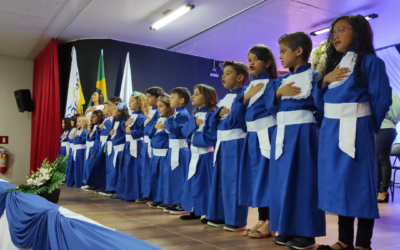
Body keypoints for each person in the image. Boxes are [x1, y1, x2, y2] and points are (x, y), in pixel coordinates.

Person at [314, 15, 392, 250]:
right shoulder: (333, 67)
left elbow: (382, 98)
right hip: (331, 131)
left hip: (357, 129)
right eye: (333, 32)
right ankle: (344, 240)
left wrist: (368, 126)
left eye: (341, 30)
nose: (335, 36)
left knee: (359, 185)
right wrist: (323, 81)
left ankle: (363, 243)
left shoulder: (370, 62)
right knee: (339, 184)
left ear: (357, 32)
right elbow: (321, 105)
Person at [265, 31, 326, 249]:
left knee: (304, 182)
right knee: (281, 182)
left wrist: (313, 132)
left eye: (283, 51)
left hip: (304, 134)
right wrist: (279, 93)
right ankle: (286, 227)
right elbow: (270, 108)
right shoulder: (280, 81)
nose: (279, 57)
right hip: (281, 134)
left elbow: (321, 109)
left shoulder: (315, 77)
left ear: (299, 51)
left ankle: (306, 233)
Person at [231, 45, 280, 238]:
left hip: (266, 133)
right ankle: (261, 219)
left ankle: (270, 221)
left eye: (254, 59)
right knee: (256, 178)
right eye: (248, 59)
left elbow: (273, 108)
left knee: (267, 178)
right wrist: (245, 98)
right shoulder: (248, 88)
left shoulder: (274, 83)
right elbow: (236, 115)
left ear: (267, 62)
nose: (250, 63)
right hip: (252, 136)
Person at [207, 60, 249, 232]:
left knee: (233, 181)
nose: (223, 76)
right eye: (223, 73)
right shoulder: (225, 98)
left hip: (235, 141)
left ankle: (235, 219)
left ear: (240, 77)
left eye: (228, 73)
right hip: (222, 143)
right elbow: (213, 122)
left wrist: (220, 116)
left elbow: (237, 118)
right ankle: (218, 215)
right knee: (219, 180)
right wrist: (217, 114)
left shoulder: (244, 95)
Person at [180, 84, 218, 222]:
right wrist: (193, 124)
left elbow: (212, 137)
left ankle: (208, 212)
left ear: (206, 98)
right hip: (194, 154)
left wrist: (194, 137)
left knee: (205, 184)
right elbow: (184, 132)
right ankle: (195, 209)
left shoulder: (211, 115)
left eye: (197, 94)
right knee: (194, 182)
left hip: (205, 154)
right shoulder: (195, 115)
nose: (193, 96)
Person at [114, 92, 148, 201]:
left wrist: (131, 131)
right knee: (126, 168)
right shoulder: (131, 116)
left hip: (137, 145)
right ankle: (124, 192)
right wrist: (125, 125)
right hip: (128, 144)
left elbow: (143, 131)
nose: (129, 102)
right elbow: (125, 129)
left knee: (135, 169)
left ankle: (136, 194)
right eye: (129, 100)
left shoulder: (142, 116)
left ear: (139, 103)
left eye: (132, 100)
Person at [163, 87, 191, 215]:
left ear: (181, 100)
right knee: (173, 176)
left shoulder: (182, 114)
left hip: (180, 149)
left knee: (180, 176)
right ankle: (175, 201)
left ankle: (181, 202)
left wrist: (168, 120)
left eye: (172, 97)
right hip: (173, 148)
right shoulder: (177, 114)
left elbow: (174, 129)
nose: (170, 99)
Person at [147, 94, 174, 208]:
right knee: (155, 178)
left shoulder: (171, 120)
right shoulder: (157, 119)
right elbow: (146, 130)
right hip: (155, 154)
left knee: (164, 179)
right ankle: (157, 198)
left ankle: (165, 199)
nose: (158, 109)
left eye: (161, 106)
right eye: (157, 106)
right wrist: (154, 127)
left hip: (165, 153)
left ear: (168, 107)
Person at [141, 87, 166, 204]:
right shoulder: (153, 112)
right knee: (149, 172)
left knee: (159, 174)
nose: (147, 99)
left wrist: (152, 128)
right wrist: (153, 127)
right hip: (150, 144)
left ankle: (156, 197)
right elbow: (146, 129)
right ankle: (149, 194)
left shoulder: (160, 112)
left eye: (150, 96)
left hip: (160, 147)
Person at [377, 91, 400, 202]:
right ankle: (376, 190)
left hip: (385, 127)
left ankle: (383, 191)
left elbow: (397, 112)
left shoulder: (388, 92)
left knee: (382, 159)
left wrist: (392, 121)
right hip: (371, 128)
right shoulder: (367, 89)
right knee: (374, 160)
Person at [105, 101, 129, 197]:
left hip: (121, 149)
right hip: (116, 149)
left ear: (120, 111)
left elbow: (125, 135)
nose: (112, 111)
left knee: (121, 171)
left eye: (114, 109)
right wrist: (110, 134)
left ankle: (120, 190)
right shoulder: (116, 122)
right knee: (117, 170)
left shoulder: (123, 123)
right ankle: (116, 189)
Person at [82, 110, 106, 192]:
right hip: (89, 148)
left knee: (92, 166)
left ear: (99, 118)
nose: (91, 119)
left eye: (94, 117)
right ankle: (88, 182)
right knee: (87, 166)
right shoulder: (93, 127)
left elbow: (97, 140)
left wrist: (94, 150)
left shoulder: (100, 127)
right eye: (91, 117)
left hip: (95, 148)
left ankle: (93, 184)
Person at [66, 115, 90, 188]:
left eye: (80, 121)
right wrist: (75, 138)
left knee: (79, 167)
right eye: (77, 121)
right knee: (73, 166)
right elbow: (71, 140)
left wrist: (76, 137)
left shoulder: (85, 131)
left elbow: (83, 140)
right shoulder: (77, 130)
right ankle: (71, 181)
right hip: (75, 149)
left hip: (80, 150)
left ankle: (79, 182)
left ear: (84, 122)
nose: (77, 123)